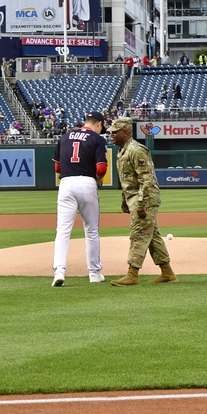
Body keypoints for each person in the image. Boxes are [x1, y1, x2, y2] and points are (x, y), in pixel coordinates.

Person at [107, 117, 176, 285]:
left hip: (145, 199)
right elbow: (128, 180)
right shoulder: (123, 150)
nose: (111, 135)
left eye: (115, 132)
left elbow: (146, 179)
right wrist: (125, 200)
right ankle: (167, 273)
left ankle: (132, 274)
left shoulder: (136, 150)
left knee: (138, 234)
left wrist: (141, 202)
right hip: (135, 198)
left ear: (126, 132)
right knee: (152, 235)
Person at [52, 111, 109, 286]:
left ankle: (59, 271)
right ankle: (94, 273)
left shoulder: (65, 136)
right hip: (87, 182)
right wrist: (97, 179)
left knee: (62, 231)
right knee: (91, 231)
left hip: (66, 183)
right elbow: (100, 169)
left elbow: (57, 167)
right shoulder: (98, 139)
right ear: (98, 124)